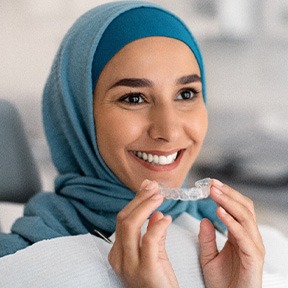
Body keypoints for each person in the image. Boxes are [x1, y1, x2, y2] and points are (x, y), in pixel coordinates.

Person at [0, 1, 269, 287]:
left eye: (186, 94)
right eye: (133, 98)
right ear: (77, 114)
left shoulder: (243, 249)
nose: (169, 131)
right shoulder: (18, 265)